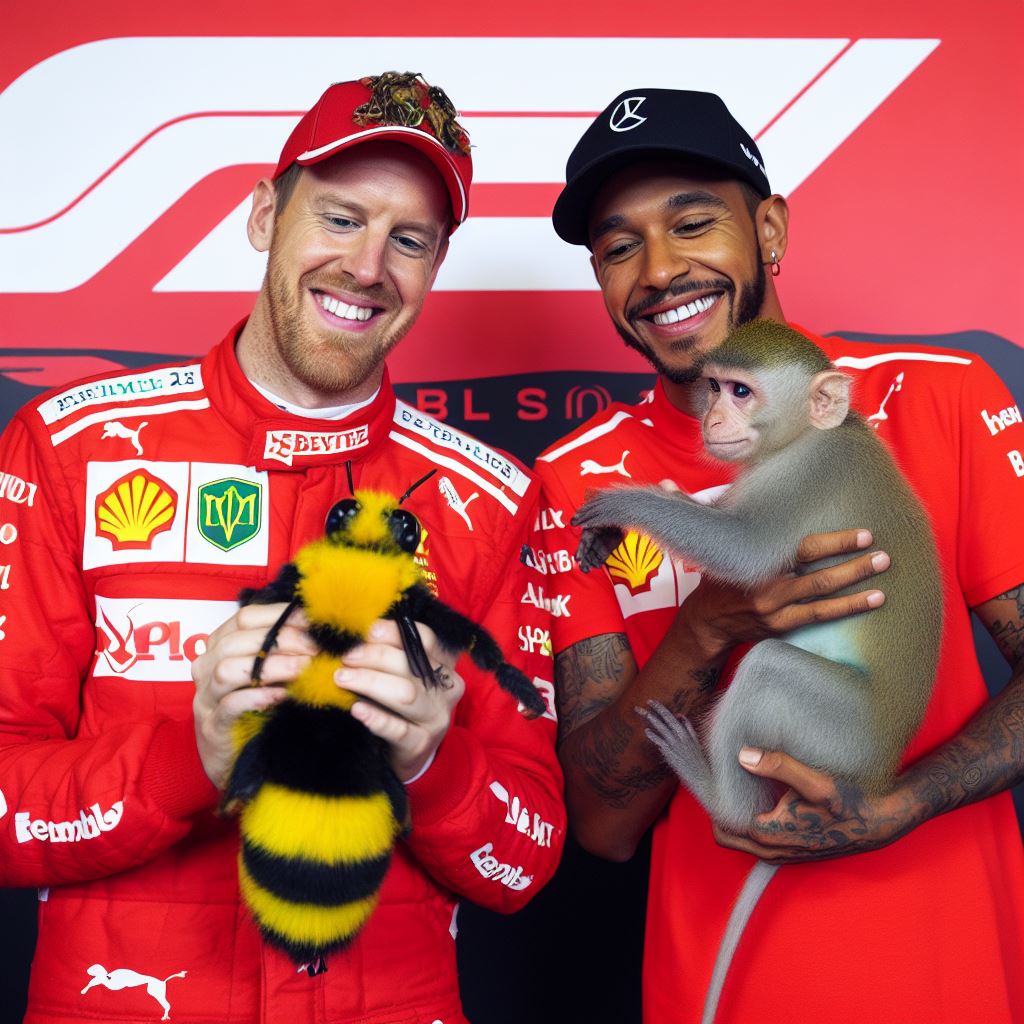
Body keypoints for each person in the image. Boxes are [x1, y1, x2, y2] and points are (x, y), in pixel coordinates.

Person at [0, 73, 564, 1024]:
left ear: (434, 267)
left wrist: (432, 763)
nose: (368, 266)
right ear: (265, 215)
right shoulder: (68, 450)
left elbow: (526, 861)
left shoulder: (490, 500)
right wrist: (191, 757)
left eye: (410, 240)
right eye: (341, 218)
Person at [533, 88, 1024, 1023]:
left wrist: (906, 803)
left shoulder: (938, 397)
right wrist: (705, 627)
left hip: (944, 975)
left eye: (692, 224)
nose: (660, 269)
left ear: (768, 230)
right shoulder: (574, 481)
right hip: (722, 986)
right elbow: (602, 824)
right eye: (619, 246)